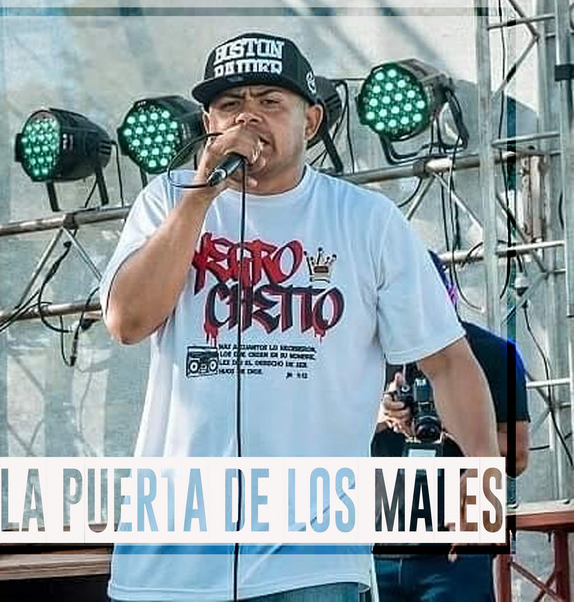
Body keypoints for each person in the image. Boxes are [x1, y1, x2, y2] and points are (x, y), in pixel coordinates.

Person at [101, 31, 500, 602]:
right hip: (168, 567)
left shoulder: (365, 220)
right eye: (230, 104)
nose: (248, 117)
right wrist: (199, 195)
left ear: (310, 121)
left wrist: (480, 491)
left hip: (313, 566)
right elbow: (127, 321)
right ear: (209, 124)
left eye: (270, 101)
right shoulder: (169, 200)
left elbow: (448, 360)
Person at [371, 251, 530, 602]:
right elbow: (329, 433)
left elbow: (518, 456)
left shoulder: (494, 353)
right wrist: (383, 415)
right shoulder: (373, 355)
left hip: (458, 545)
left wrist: (454, 421)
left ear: (450, 294)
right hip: (380, 541)